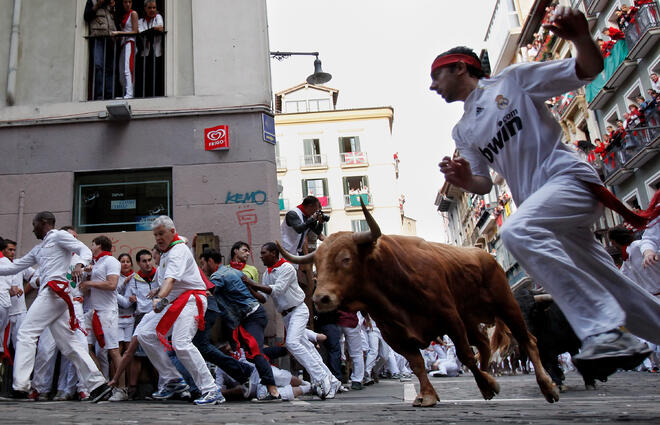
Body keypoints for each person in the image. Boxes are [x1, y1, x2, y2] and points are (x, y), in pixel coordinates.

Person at [434, 6, 660, 381]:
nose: (432, 85)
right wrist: (463, 179)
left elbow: (587, 69)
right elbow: (484, 183)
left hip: (568, 180)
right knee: (617, 287)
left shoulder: (514, 81)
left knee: (516, 231)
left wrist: (581, 38)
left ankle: (603, 330)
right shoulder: (463, 132)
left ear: (460, 67)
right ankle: (632, 327)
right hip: (543, 209)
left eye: (436, 74)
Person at [0, 212, 112, 401]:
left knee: (26, 332)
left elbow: (84, 250)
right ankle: (98, 384)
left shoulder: (60, 236)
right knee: (69, 344)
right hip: (57, 297)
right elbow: (14, 267)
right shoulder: (39, 248)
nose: (32, 228)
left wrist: (79, 264)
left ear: (43, 223)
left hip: (55, 292)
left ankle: (21, 384)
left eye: (34, 224)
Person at [132, 215, 222, 405]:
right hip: (174, 303)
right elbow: (169, 280)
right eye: (155, 234)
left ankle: (211, 390)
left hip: (190, 301)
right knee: (144, 333)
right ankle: (173, 379)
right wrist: (159, 292)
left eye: (161, 233)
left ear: (172, 232)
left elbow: (171, 280)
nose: (158, 238)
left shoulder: (177, 251)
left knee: (181, 343)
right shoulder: (168, 250)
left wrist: (159, 297)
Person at [259, 242, 340, 400]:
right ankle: (333, 380)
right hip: (287, 315)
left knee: (292, 343)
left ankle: (322, 378)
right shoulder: (266, 274)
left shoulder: (287, 268)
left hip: (298, 310)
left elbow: (278, 289)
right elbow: (263, 297)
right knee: (307, 347)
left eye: (264, 253)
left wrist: (251, 283)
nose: (261, 256)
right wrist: (248, 287)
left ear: (274, 254)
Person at [200, 249, 281, 402]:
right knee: (250, 354)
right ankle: (254, 381)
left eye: (203, 264)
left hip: (252, 317)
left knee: (256, 353)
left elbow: (208, 293)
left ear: (211, 261)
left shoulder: (218, 275)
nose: (203, 268)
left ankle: (273, 391)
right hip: (247, 318)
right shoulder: (231, 271)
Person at [83, 0, 117, 100]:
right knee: (98, 66)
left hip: (110, 39)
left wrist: (113, 8)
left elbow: (116, 21)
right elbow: (87, 17)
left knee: (110, 68)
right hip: (97, 38)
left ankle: (110, 94)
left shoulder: (109, 4)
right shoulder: (92, 2)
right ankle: (99, 95)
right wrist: (97, 5)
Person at [280, 196, 325, 261]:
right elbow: (299, 229)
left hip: (295, 251)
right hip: (285, 250)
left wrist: (320, 223)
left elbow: (317, 231)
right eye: (316, 210)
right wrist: (312, 219)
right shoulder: (293, 213)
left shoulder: (308, 216)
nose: (315, 213)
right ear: (310, 206)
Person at [137, 0, 164, 97]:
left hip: (156, 52)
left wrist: (147, 33)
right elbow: (140, 33)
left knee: (156, 76)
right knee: (146, 76)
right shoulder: (140, 21)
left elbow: (160, 28)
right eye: (149, 8)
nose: (152, 10)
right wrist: (153, 31)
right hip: (145, 53)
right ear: (145, 9)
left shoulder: (158, 17)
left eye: (154, 8)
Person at [112, 0, 139, 99]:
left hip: (130, 42)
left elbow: (135, 31)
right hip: (124, 44)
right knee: (122, 70)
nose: (127, 4)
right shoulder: (125, 15)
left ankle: (129, 94)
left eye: (130, 2)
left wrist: (119, 33)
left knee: (128, 68)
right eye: (125, 2)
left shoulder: (133, 13)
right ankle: (125, 93)